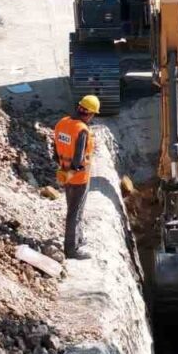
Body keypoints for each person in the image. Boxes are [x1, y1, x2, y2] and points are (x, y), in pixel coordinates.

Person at [51, 95, 100, 260]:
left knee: (73, 209)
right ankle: (71, 249)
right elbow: (78, 160)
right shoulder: (82, 130)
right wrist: (73, 173)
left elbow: (55, 152)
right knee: (75, 212)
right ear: (90, 114)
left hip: (64, 173)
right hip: (79, 178)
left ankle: (78, 238)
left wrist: (65, 173)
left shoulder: (62, 123)